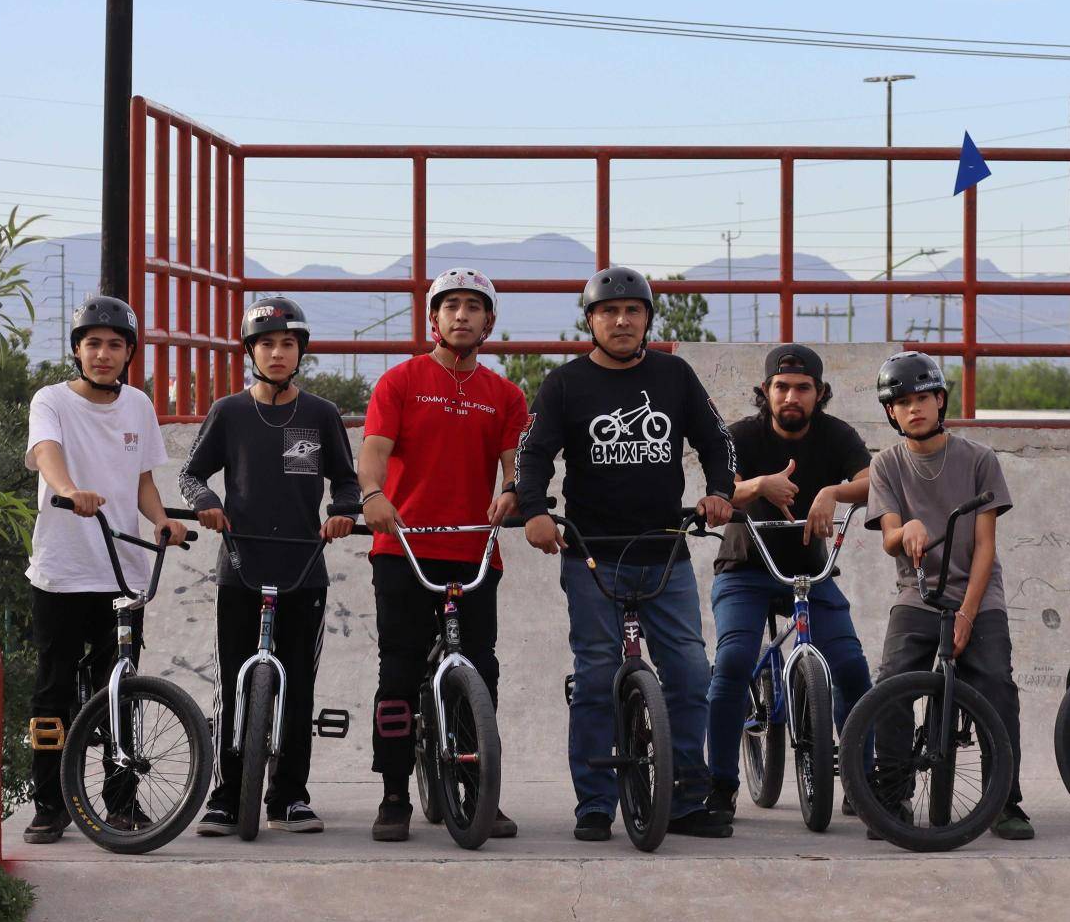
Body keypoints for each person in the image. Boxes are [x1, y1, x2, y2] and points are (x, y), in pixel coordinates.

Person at [516, 266, 740, 842]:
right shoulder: (564, 384)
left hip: (664, 550)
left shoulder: (675, 375)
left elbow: (718, 440)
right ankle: (594, 802)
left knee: (691, 674)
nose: (621, 320)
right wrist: (534, 510)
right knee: (595, 676)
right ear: (589, 321)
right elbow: (533, 453)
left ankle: (686, 797)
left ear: (647, 319)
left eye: (632, 311)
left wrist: (718, 491)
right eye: (608, 312)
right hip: (591, 553)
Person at [358, 268, 528, 842]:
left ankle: (480, 790)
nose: (461, 316)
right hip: (402, 546)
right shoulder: (400, 381)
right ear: (433, 318)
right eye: (450, 306)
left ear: (489, 321)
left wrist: (513, 490)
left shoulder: (505, 394)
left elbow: (516, 463)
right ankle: (394, 793)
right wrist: (373, 495)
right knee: (399, 672)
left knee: (483, 668)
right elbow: (374, 453)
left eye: (473, 307)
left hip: (474, 548)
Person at [182, 297, 359, 837]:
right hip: (241, 564)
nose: (277, 353)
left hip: (304, 567)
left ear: (300, 351)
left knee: (299, 685)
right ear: (251, 352)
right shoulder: (230, 412)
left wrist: (343, 512)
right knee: (233, 682)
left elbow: (347, 480)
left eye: (287, 344)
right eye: (266, 344)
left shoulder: (322, 414)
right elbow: (191, 474)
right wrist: (205, 502)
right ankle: (226, 795)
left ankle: (290, 797)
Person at [21, 295, 189, 843]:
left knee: (120, 689)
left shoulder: (138, 405)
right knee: (51, 690)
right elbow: (47, 452)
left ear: (128, 354)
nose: (103, 353)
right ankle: (49, 803)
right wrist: (70, 492)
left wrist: (163, 521)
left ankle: (121, 804)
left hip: (123, 573)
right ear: (76, 350)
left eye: (115, 345)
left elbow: (141, 481)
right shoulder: (50, 400)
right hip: (63, 570)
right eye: (92, 343)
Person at [865, 351, 1033, 841]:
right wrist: (907, 528)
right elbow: (889, 537)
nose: (914, 409)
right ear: (890, 413)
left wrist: (967, 612)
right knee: (891, 682)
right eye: (902, 402)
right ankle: (892, 794)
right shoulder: (887, 465)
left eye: (923, 398)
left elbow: (985, 547)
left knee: (997, 686)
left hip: (976, 594)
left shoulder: (979, 460)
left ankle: (1004, 801)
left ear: (941, 401)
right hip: (917, 595)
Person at [705, 344, 873, 823]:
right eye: (781, 387)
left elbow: (872, 479)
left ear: (819, 393)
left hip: (809, 572)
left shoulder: (836, 435)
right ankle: (719, 785)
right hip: (744, 567)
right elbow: (720, 489)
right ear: (766, 391)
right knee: (734, 660)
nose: (791, 397)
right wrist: (759, 486)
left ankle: (862, 782)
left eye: (802, 388)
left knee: (851, 666)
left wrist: (831, 492)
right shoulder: (741, 434)